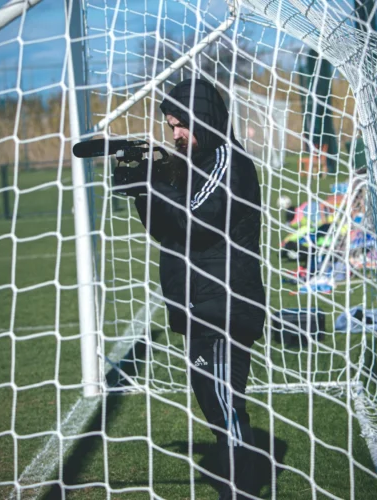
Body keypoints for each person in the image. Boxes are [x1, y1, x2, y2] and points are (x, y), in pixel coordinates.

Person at [130, 78, 266, 499]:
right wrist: (140, 189)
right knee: (213, 401)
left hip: (224, 304)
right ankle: (238, 483)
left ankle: (242, 489)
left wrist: (152, 182)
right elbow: (166, 230)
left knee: (224, 403)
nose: (175, 134)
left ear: (203, 118)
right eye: (171, 126)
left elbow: (197, 218)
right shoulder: (194, 165)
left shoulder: (227, 160)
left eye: (181, 124)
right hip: (199, 305)